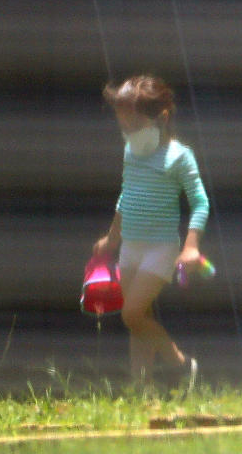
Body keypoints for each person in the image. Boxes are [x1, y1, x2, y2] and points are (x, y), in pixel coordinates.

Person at [92, 75, 207, 390]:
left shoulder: (179, 157)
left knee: (131, 314)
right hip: (131, 245)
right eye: (123, 127)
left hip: (161, 248)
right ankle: (141, 389)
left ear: (162, 118)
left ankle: (182, 364)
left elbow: (200, 202)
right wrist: (112, 237)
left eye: (134, 126)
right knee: (137, 319)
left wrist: (192, 246)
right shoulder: (131, 152)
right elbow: (127, 194)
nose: (128, 134)